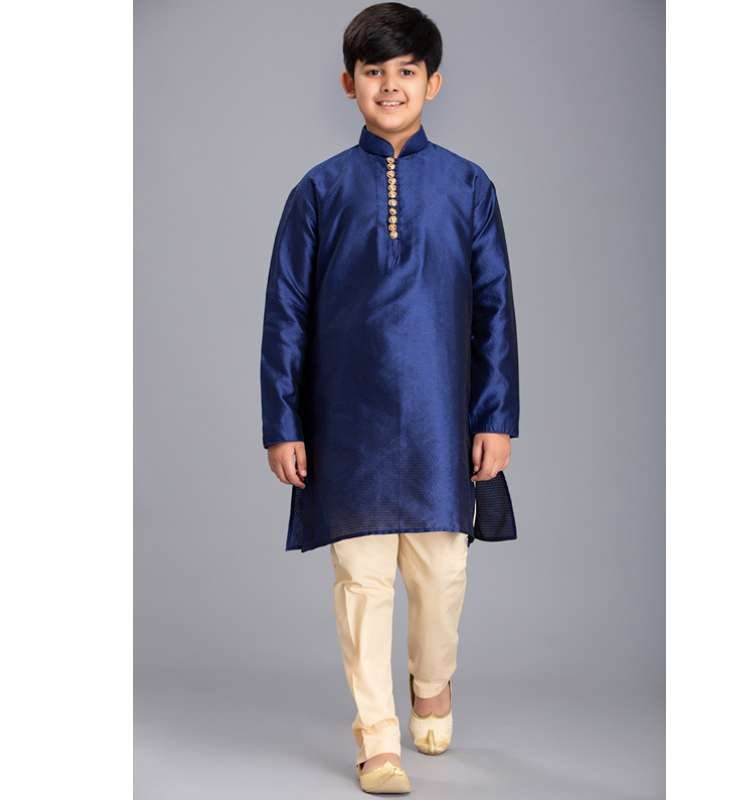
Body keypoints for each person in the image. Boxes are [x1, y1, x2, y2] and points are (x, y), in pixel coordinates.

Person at [259, 2, 520, 793]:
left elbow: (495, 309)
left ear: (433, 82)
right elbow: (286, 312)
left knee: (441, 576)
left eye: (407, 70)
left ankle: (431, 683)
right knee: (362, 583)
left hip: (443, 414)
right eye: (374, 72)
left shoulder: (468, 186)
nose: (391, 85)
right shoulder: (319, 191)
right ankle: (377, 739)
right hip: (347, 418)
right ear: (350, 84)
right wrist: (283, 422)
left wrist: (495, 416)